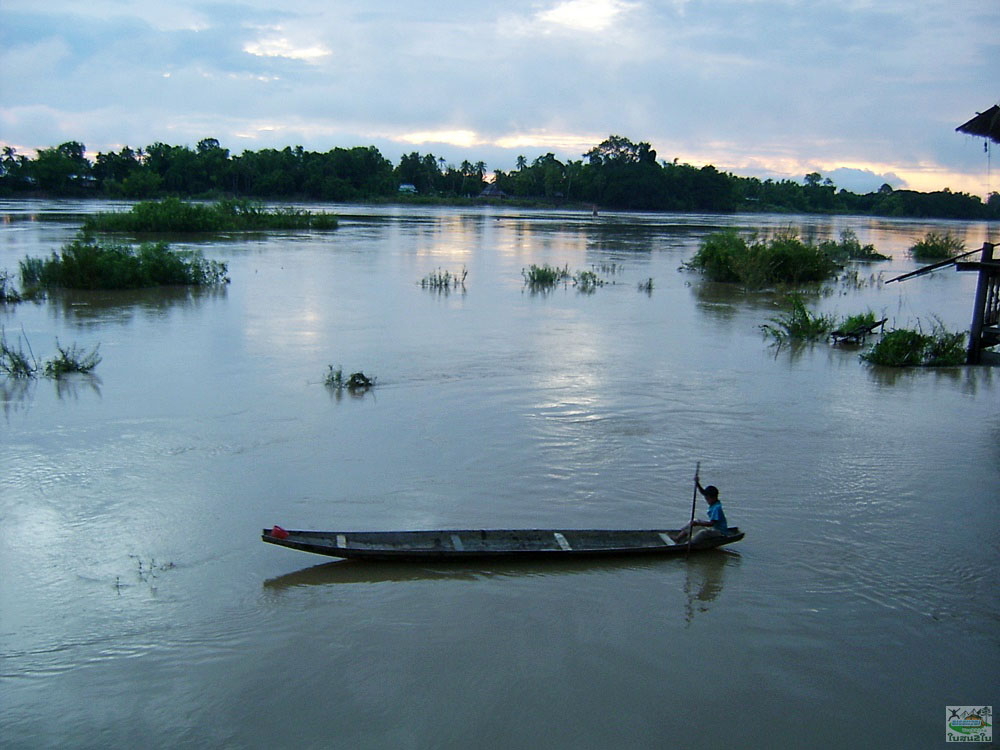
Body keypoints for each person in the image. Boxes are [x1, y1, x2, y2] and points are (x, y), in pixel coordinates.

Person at [671, 477, 728, 543]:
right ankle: (678, 538)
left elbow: (712, 523)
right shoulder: (714, 504)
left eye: (708, 499)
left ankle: (689, 543)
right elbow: (703, 492)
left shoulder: (717, 508)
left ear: (713, 497)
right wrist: (697, 483)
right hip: (713, 529)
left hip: (719, 532)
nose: (707, 501)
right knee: (694, 521)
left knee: (702, 533)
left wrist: (698, 523)